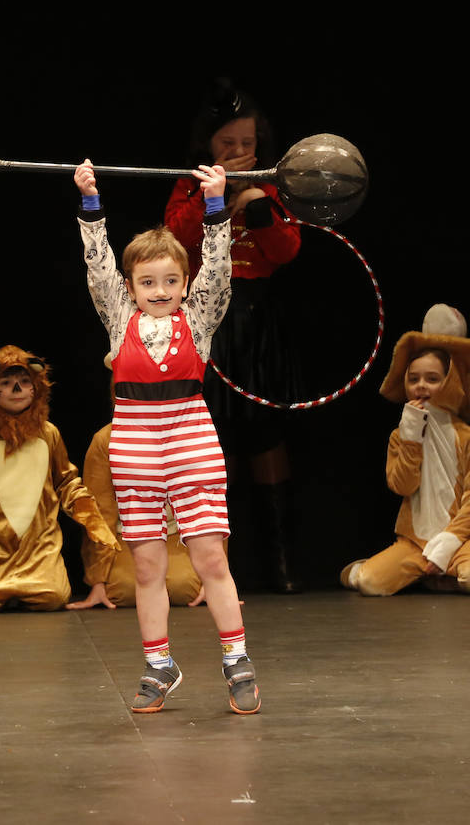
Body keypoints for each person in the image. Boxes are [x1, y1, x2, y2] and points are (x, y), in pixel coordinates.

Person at [74, 157, 259, 714]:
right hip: (135, 443)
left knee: (210, 557)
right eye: (147, 282)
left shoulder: (197, 318)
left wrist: (216, 206)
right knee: (149, 565)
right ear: (130, 287)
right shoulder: (118, 316)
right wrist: (89, 201)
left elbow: (219, 268)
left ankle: (235, 657)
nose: (160, 290)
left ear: (184, 283)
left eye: (171, 280)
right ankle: (159, 663)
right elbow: (97, 264)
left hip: (190, 436)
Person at [165, 81, 303, 592]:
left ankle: (282, 564)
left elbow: (286, 251)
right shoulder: (189, 184)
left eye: (246, 144)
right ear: (208, 146)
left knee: (266, 435)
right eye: (228, 145)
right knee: (212, 440)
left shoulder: (270, 184)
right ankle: (218, 571)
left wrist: (257, 204)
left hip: (259, 320)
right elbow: (175, 238)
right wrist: (215, 196)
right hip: (209, 318)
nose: (240, 153)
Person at [0, 347, 117, 611]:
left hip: (39, 545)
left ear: (37, 389)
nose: (16, 389)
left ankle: (29, 582)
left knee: (54, 597)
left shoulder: (48, 434)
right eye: (5, 383)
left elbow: (66, 481)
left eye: (25, 382)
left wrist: (89, 514)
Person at [340, 305, 470, 597]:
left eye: (432, 379)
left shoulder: (467, 437)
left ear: (450, 381)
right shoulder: (399, 436)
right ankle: (382, 569)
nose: (420, 387)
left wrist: (450, 542)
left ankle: (438, 572)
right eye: (413, 379)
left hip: (459, 541)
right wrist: (412, 439)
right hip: (414, 543)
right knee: (369, 584)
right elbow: (402, 485)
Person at [69, 421, 205, 608]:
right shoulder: (106, 438)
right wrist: (98, 579)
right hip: (126, 535)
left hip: (177, 534)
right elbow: (99, 509)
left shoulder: (190, 434)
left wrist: (212, 579)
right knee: (124, 590)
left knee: (183, 588)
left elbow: (206, 503)